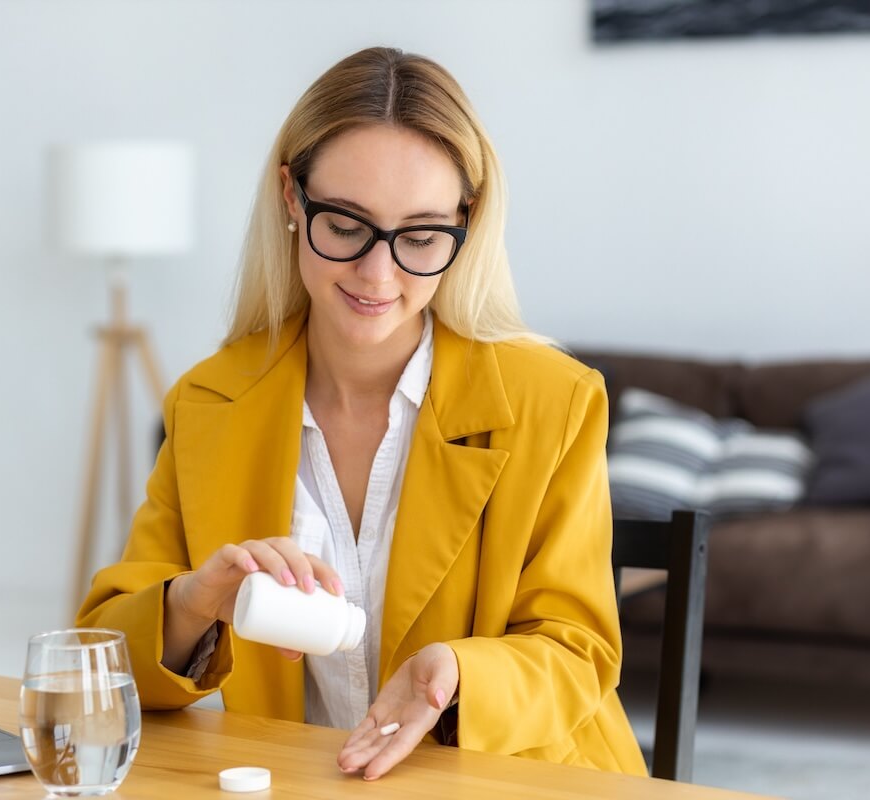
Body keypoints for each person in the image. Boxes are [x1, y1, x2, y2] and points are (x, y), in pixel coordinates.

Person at [76, 45, 645, 780]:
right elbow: (101, 663)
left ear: (465, 223)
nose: (379, 275)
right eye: (345, 225)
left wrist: (459, 675)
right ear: (291, 198)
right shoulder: (209, 402)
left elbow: (578, 652)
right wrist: (191, 604)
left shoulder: (554, 400)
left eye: (420, 235)